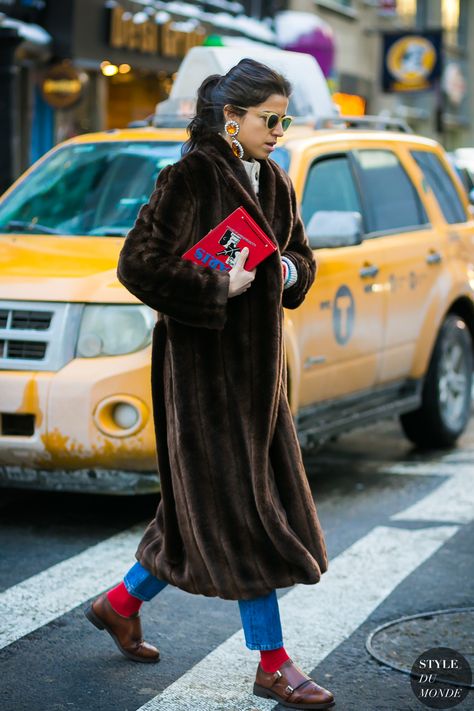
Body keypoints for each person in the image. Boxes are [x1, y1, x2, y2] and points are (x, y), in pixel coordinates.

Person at [85, 58, 334, 710]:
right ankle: (273, 664)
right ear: (232, 118)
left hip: (259, 387)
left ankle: (118, 604)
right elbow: (137, 264)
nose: (279, 130)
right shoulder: (189, 176)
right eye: (268, 120)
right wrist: (215, 287)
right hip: (202, 387)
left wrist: (285, 273)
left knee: (196, 519)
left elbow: (302, 259)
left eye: (285, 119)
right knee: (250, 520)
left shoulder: (276, 182)